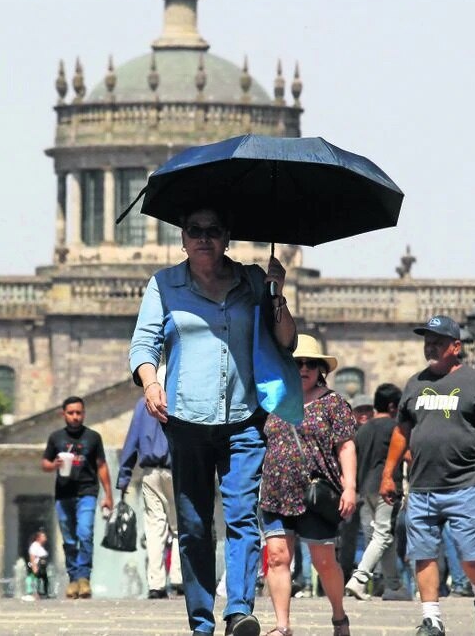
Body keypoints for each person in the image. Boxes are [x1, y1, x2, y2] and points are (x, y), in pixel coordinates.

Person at [129, 205, 297, 636]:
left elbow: (287, 342)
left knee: (241, 515)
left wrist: (277, 293)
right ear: (182, 238)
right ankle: (200, 621)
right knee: (195, 524)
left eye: (213, 230)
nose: (203, 238)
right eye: (194, 230)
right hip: (186, 420)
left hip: (244, 418)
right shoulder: (164, 285)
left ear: (227, 237)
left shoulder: (253, 281)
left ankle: (238, 610)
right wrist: (150, 384)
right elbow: (143, 345)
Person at [380, 315, 475, 636]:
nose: (430, 347)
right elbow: (401, 432)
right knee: (423, 553)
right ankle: (432, 618)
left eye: (437, 342)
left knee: (472, 558)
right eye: (427, 342)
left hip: (465, 485)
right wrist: (388, 473)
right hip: (421, 486)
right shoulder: (414, 384)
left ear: (456, 347)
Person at [259, 336, 356, 636]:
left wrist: (350, 486)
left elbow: (346, 447)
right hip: (276, 491)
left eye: (310, 364)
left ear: (320, 369)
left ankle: (339, 615)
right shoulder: (271, 400)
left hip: (315, 493)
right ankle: (282, 626)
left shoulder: (333, 403)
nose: (304, 368)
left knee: (323, 561)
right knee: (277, 557)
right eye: (297, 362)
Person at [41, 396, 113, 599]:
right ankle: (73, 578)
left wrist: (108, 494)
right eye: (71, 413)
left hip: (87, 492)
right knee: (69, 539)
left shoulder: (93, 437)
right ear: (63, 414)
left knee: (85, 533)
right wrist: (54, 465)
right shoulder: (56, 438)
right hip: (63, 494)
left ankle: (84, 577)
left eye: (78, 413)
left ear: (84, 414)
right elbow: (45, 464)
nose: (75, 417)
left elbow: (101, 465)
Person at [345, 382, 410, 602]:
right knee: (383, 535)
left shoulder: (362, 429)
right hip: (387, 488)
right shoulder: (395, 427)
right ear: (393, 406)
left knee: (384, 536)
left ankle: (393, 585)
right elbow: (409, 456)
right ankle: (360, 578)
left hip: (366, 489)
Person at [115, 396, 182, 599]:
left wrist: (124, 476)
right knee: (180, 526)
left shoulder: (143, 404)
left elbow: (132, 440)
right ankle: (179, 579)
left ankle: (156, 584)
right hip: (178, 469)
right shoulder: (179, 396)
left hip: (150, 472)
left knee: (154, 528)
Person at [27, 529, 50, 599]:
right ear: (38, 538)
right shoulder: (34, 546)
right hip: (38, 565)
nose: (45, 538)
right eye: (43, 536)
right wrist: (34, 567)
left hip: (42, 566)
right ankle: (36, 593)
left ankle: (45, 593)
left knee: (45, 580)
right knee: (37, 580)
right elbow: (32, 557)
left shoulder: (40, 546)